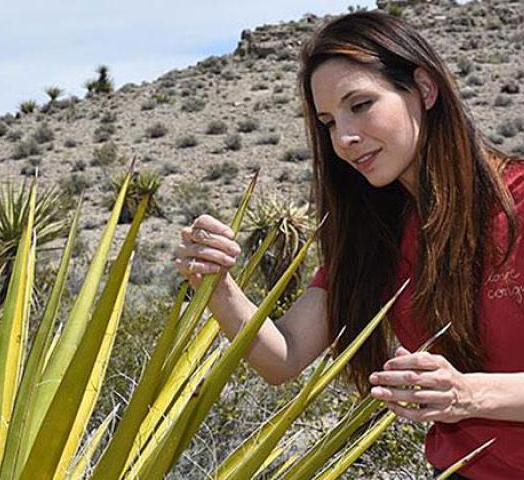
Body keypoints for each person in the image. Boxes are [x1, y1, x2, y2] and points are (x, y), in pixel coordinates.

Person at [173, 10, 524, 479]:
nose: (345, 138)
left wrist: (466, 394)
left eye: (359, 105)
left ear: (423, 88)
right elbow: (285, 355)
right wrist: (218, 287)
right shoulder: (375, 234)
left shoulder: (517, 201)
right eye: (328, 122)